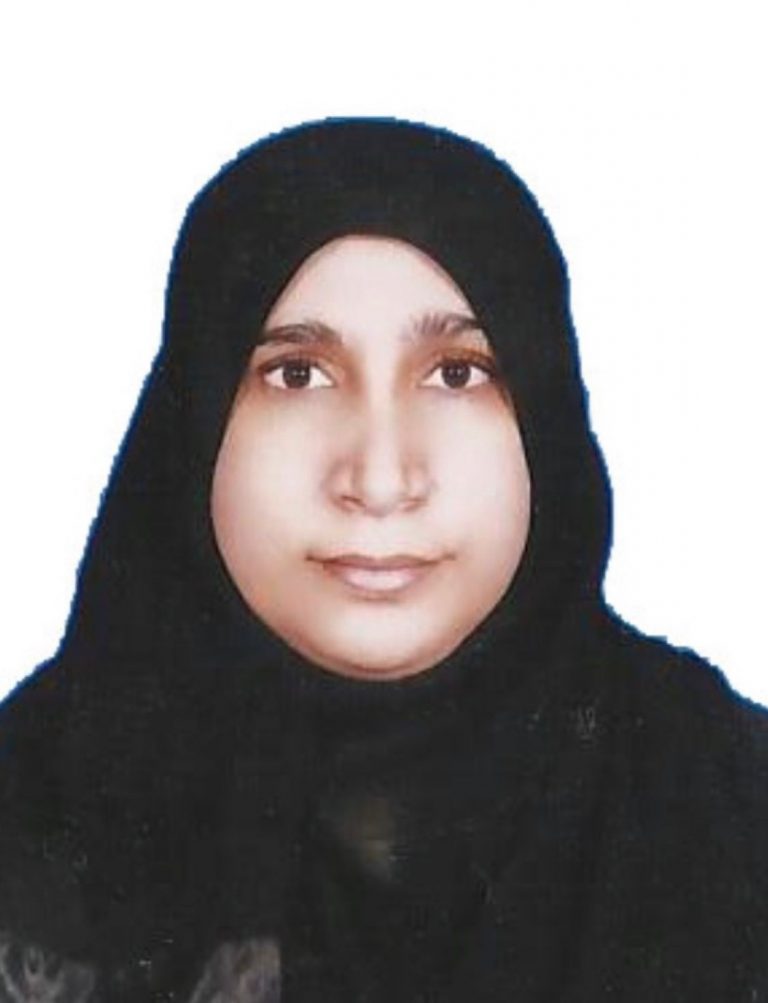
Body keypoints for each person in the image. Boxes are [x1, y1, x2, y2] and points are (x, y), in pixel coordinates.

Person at [0, 119, 765, 1002]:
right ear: (197, 421)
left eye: (457, 373)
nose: (380, 477)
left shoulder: (730, 809)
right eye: (297, 374)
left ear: (544, 419)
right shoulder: (30, 813)